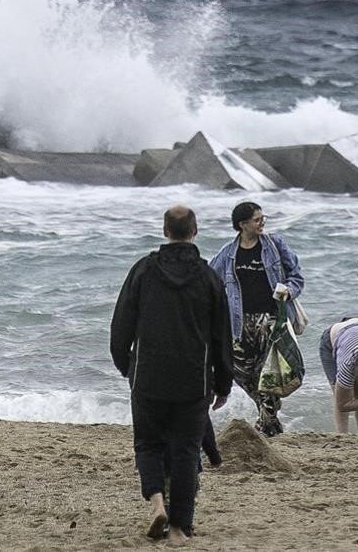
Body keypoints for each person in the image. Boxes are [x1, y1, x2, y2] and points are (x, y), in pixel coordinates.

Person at [110, 206, 233, 543]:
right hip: (193, 381)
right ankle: (179, 527)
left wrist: (127, 367)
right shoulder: (209, 277)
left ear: (165, 230)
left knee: (147, 445)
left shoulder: (144, 270)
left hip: (148, 377)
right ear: (195, 231)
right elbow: (222, 335)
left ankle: (156, 505)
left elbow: (121, 326)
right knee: (186, 451)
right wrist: (223, 383)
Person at [209, 202, 305, 437]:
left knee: (266, 373)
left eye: (263, 218)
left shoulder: (274, 245)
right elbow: (210, 278)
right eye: (257, 219)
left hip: (271, 320)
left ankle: (268, 424)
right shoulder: (228, 253)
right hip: (239, 324)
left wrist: (288, 290)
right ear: (242, 225)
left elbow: (297, 276)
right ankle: (266, 411)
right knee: (242, 373)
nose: (262, 222)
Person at [318, 318, 358, 433]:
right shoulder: (347, 366)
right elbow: (342, 404)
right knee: (338, 393)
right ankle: (342, 435)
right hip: (331, 341)